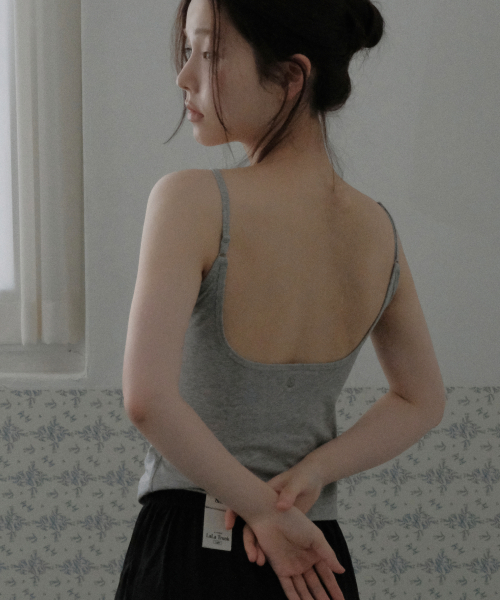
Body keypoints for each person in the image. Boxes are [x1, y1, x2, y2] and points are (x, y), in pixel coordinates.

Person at [115, 0, 447, 598]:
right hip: (312, 553)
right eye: (188, 50)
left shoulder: (190, 201)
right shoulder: (378, 229)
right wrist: (311, 474)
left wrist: (262, 510)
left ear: (292, 76)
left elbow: (147, 400)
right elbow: (420, 400)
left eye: (210, 53)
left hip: (194, 544)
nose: (184, 76)